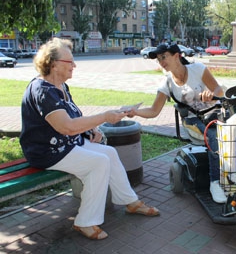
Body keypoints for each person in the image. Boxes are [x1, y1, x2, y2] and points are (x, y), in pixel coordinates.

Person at [19, 38, 159, 240]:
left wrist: (91, 129)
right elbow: (66, 127)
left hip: (66, 145)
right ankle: (85, 221)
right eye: (70, 62)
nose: (74, 65)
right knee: (98, 162)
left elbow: (73, 117)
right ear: (53, 64)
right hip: (47, 152)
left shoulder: (60, 87)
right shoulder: (43, 91)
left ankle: (130, 202)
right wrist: (103, 117)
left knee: (109, 153)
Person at [127, 43, 227, 203]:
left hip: (213, 113)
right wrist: (135, 112)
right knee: (214, 135)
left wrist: (211, 94)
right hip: (193, 118)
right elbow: (154, 111)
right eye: (159, 59)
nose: (161, 62)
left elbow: (219, 90)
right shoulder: (167, 83)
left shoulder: (198, 69)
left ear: (177, 56)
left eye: (163, 57)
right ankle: (215, 182)